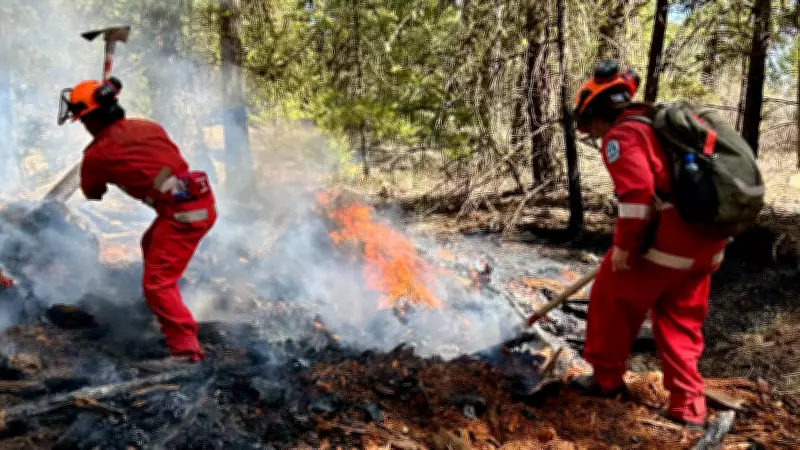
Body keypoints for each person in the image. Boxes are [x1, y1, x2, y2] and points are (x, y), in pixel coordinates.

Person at [569, 60, 728, 430]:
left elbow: (638, 195)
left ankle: (605, 380)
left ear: (596, 114)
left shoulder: (621, 135)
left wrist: (624, 247)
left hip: (669, 243)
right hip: (708, 243)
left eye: (589, 126)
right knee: (679, 319)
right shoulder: (664, 127)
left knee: (610, 297)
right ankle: (688, 407)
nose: (593, 134)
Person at [58, 77, 217, 365]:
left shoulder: (97, 155)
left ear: (90, 121)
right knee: (150, 242)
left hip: (183, 216)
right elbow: (169, 161)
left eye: (82, 121)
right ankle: (163, 313)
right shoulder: (148, 126)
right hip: (198, 204)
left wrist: (99, 160)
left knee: (157, 284)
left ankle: (186, 351)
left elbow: (93, 193)